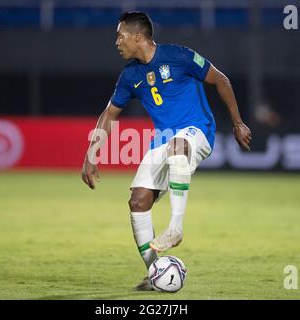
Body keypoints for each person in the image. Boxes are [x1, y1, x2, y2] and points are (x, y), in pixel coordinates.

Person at [81, 11, 252, 291]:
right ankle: (155, 274)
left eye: (120, 36)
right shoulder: (129, 76)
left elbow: (221, 80)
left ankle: (175, 228)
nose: (117, 42)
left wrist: (237, 123)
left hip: (197, 132)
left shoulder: (180, 56)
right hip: (162, 140)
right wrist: (92, 154)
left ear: (138, 37)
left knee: (178, 146)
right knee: (138, 201)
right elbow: (110, 114)